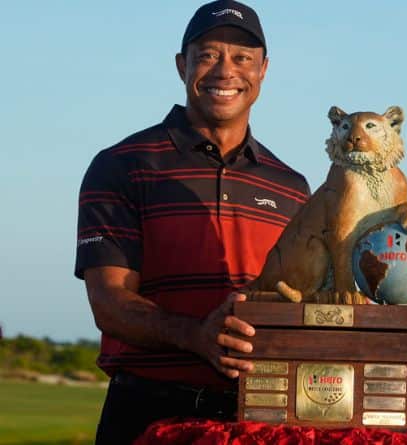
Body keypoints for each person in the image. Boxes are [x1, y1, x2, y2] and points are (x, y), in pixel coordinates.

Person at [74, 1, 310, 443]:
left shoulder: (292, 187)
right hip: (148, 412)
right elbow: (108, 302)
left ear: (263, 70)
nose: (226, 71)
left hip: (262, 415)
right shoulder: (122, 165)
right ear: (182, 65)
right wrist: (197, 335)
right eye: (208, 55)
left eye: (243, 58)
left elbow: (305, 305)